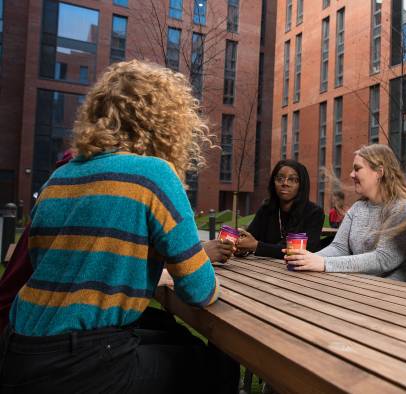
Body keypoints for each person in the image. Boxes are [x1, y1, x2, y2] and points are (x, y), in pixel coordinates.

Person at [0, 60, 237, 393]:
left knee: (171, 332)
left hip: (19, 349)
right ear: (167, 122)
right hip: (79, 363)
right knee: (218, 361)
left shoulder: (59, 177)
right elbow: (199, 291)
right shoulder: (153, 174)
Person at [285, 144, 406, 284]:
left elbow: (383, 259)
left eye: (357, 169)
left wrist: (323, 263)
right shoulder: (358, 208)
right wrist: (305, 260)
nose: (351, 174)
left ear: (379, 172)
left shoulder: (402, 209)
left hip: (399, 296)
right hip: (361, 288)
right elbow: (339, 248)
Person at [236, 160, 324, 259]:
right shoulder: (266, 209)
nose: (285, 183)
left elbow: (304, 251)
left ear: (302, 184)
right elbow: (250, 240)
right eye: (280, 178)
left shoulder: (314, 213)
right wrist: (240, 247)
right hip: (262, 270)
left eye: (292, 179)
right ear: (273, 182)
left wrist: (257, 246)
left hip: (301, 272)